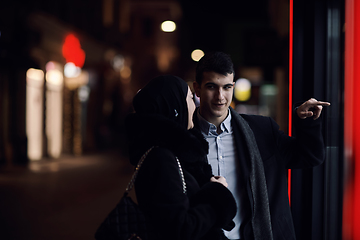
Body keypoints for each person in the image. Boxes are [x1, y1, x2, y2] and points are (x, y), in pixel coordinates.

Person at [192, 51, 330, 240]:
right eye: (211, 87)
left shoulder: (261, 130)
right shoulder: (184, 139)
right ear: (197, 89)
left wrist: (306, 122)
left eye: (227, 87)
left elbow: (309, 156)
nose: (220, 96)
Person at [125, 75, 237, 240]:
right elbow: (180, 229)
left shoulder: (172, 155)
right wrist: (216, 195)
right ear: (176, 108)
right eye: (191, 98)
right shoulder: (161, 159)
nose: (194, 105)